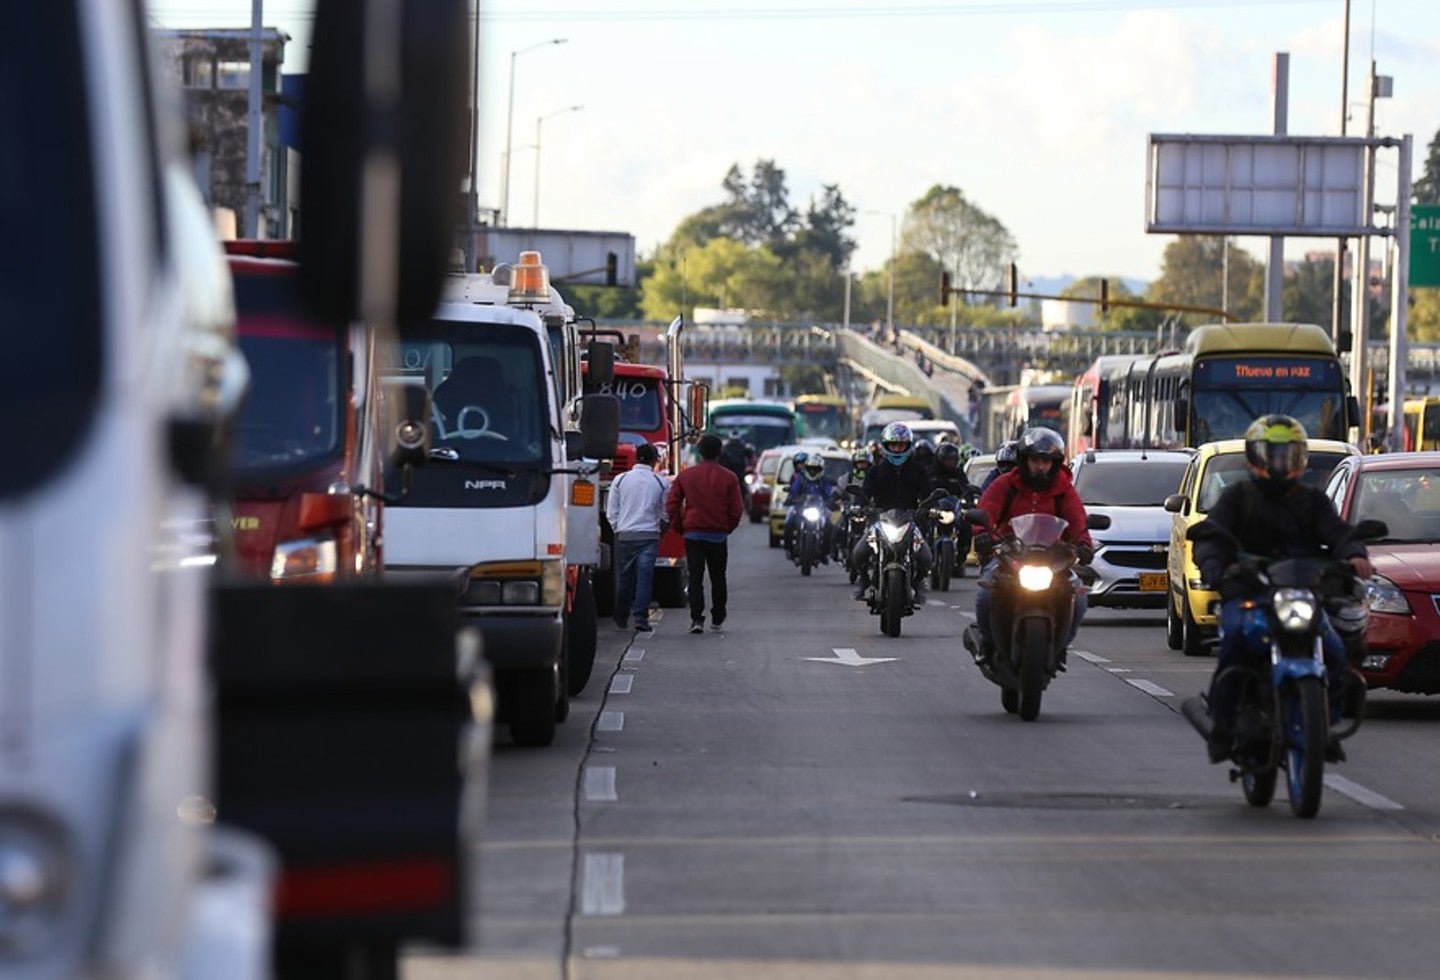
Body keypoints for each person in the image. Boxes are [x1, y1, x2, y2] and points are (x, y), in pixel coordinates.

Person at [1192, 414, 1373, 764]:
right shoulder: (1237, 497)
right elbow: (1211, 535)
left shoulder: (1312, 501)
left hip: (1300, 592)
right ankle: (1223, 726)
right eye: (1272, 455)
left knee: (1335, 650)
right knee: (1232, 643)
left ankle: (1326, 725)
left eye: (1287, 455)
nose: (1279, 463)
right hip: (1250, 591)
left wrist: (1353, 554)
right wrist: (1214, 564)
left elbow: (1337, 532)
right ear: (1254, 456)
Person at [972, 428, 1094, 667]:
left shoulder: (1064, 489)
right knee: (986, 595)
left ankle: (1060, 648)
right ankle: (987, 644)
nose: (1040, 466)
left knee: (1078, 599)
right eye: (1035, 460)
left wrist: (1083, 545)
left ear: (1055, 463)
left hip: (1052, 558)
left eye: (1046, 461)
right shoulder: (1005, 484)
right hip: (1009, 554)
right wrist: (983, 535)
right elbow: (986, 512)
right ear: (1024, 460)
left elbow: (1077, 520)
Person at [667, 433, 745, 634]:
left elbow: (672, 504)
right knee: (718, 577)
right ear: (720, 452)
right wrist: (727, 527)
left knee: (695, 578)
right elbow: (737, 509)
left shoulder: (685, 476)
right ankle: (718, 616)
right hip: (718, 535)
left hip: (693, 534)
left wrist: (680, 527)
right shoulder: (729, 478)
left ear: (699, 452)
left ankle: (696, 619)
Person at [850, 422, 936, 601]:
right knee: (859, 552)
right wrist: (859, 506)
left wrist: (930, 507)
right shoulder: (876, 470)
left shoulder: (917, 470)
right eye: (894, 445)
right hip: (881, 520)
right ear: (887, 446)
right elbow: (865, 491)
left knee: (926, 557)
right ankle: (864, 580)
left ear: (908, 446)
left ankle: (919, 582)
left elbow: (927, 492)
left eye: (901, 445)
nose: (897, 449)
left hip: (909, 520)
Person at [605, 443, 670, 634]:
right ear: (654, 460)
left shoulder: (620, 479)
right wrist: (660, 530)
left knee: (624, 578)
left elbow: (612, 511)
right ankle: (641, 618)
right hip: (649, 535)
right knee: (644, 578)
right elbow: (666, 513)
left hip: (625, 535)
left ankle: (621, 616)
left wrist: (618, 528)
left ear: (636, 458)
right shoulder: (661, 482)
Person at [783, 452, 838, 560]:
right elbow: (794, 490)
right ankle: (789, 549)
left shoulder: (823, 480)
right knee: (788, 523)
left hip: (819, 509)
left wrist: (832, 501)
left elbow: (829, 493)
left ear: (820, 469)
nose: (812, 471)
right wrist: (790, 498)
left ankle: (825, 552)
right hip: (801, 507)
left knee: (830, 526)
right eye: (810, 468)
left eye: (815, 469)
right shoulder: (801, 478)